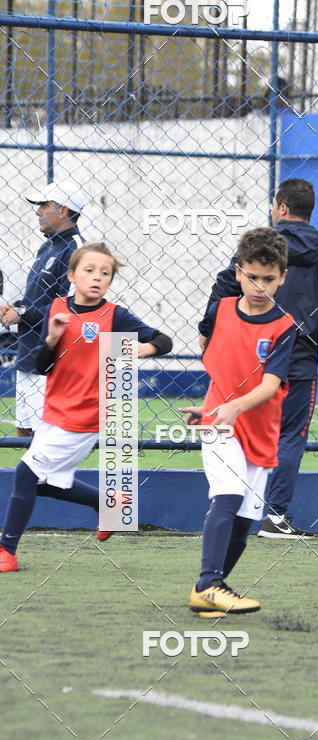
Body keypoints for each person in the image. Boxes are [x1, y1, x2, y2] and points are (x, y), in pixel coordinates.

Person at [199, 178, 318, 540]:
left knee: (238, 427)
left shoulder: (261, 249)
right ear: (310, 211)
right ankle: (273, 515)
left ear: (281, 208)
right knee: (290, 435)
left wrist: (210, 329)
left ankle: (233, 506)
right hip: (298, 357)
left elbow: (224, 286)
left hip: (248, 355)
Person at [0, 242, 173, 572]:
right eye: (89, 271)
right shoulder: (57, 308)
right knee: (42, 482)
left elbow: (165, 340)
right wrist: (51, 338)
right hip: (54, 411)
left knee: (25, 474)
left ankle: (6, 551)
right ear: (72, 275)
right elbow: (42, 365)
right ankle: (109, 504)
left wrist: (143, 349)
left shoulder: (115, 316)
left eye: (104, 273)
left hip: (85, 415)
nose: (97, 278)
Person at [182, 227, 296, 615]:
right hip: (220, 424)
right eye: (251, 276)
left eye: (268, 278)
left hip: (260, 432)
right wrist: (215, 407)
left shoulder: (285, 327)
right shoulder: (219, 311)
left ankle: (208, 588)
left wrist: (234, 406)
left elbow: (271, 384)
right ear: (238, 272)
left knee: (245, 522)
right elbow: (218, 363)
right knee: (227, 496)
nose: (259, 285)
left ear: (282, 277)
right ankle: (210, 584)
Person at [0, 182, 86, 437]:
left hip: (52, 361)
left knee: (45, 445)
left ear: (63, 210)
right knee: (24, 434)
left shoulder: (76, 249)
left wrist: (23, 313)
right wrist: (14, 309)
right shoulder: (48, 246)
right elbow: (37, 301)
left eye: (44, 205)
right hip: (28, 355)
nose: (37, 211)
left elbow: (72, 306)